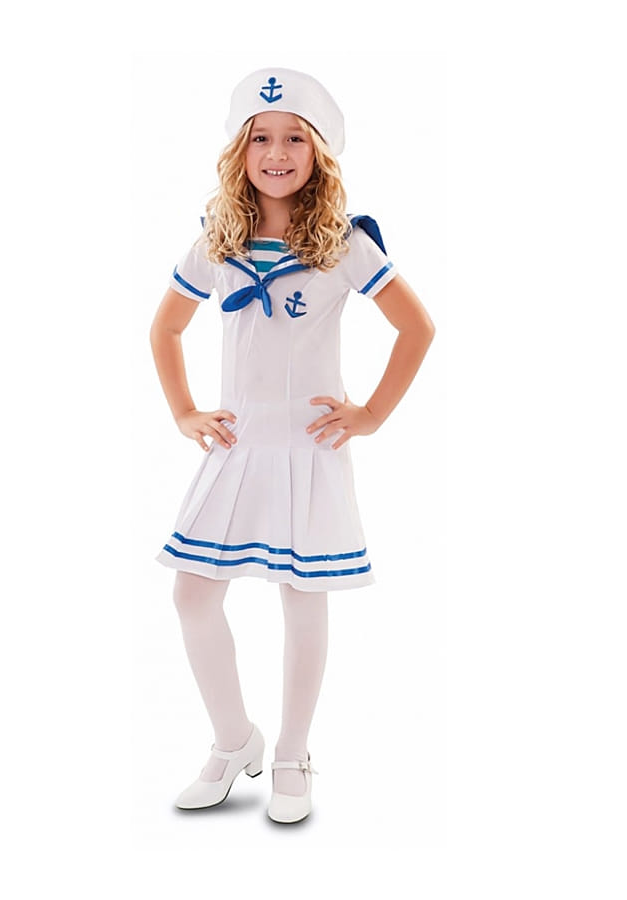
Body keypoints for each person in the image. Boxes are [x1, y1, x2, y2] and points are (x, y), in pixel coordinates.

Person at [149, 67, 435, 824]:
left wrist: (370, 413)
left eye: (294, 140)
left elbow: (416, 327)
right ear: (239, 151)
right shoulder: (218, 241)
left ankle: (292, 752)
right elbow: (166, 327)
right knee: (192, 593)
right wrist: (185, 412)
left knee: (302, 598)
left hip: (309, 450)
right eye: (262, 139)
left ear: (319, 153)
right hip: (237, 449)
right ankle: (232, 737)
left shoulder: (343, 244)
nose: (276, 154)